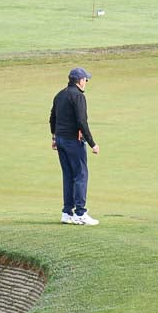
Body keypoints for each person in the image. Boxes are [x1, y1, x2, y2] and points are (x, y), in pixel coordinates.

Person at [49, 67, 99, 225]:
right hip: (73, 141)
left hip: (61, 140)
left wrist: (54, 137)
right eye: (86, 80)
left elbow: (52, 118)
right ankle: (80, 213)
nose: (86, 82)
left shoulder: (60, 94)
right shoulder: (78, 96)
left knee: (68, 176)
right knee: (80, 175)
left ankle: (67, 212)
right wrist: (93, 143)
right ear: (80, 80)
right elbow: (81, 122)